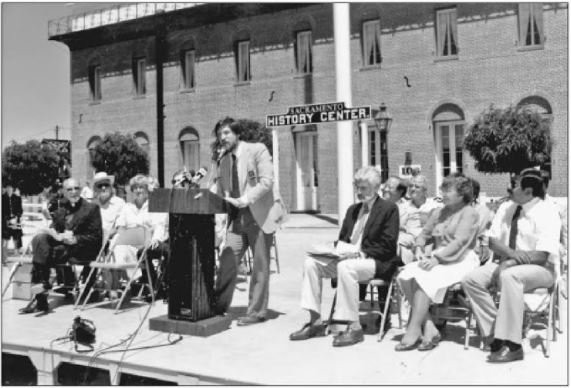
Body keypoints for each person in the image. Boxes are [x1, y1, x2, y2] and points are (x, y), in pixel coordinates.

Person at [289, 166, 400, 347]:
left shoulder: (389, 209)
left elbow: (388, 246)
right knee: (311, 263)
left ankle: (354, 327)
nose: (359, 192)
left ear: (375, 188)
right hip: (346, 259)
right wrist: (331, 251)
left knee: (345, 267)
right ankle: (315, 321)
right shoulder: (352, 210)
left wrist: (359, 253)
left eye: (363, 188)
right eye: (357, 187)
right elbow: (343, 240)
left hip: (375, 261)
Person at [461, 168, 561, 363]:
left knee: (510, 276)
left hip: (542, 270)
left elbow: (541, 255)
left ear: (528, 192)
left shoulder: (548, 211)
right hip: (508, 262)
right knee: (471, 279)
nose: (508, 188)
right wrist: (511, 256)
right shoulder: (507, 207)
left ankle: (514, 346)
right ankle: (495, 335)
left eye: (514, 185)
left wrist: (510, 263)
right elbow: (492, 241)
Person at [395, 175, 479, 351]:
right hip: (437, 257)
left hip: (461, 259)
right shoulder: (439, 212)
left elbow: (460, 242)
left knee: (424, 278)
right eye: (443, 190)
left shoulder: (469, 212)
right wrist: (418, 247)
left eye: (448, 190)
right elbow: (425, 234)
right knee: (405, 275)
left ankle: (413, 328)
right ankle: (429, 326)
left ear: (462, 194)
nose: (443, 193)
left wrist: (436, 259)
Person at [212, 118, 280, 326]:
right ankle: (218, 307)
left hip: (258, 215)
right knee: (227, 260)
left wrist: (245, 199)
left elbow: (267, 181)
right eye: (219, 135)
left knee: (260, 265)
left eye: (226, 133)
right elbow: (218, 188)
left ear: (237, 134)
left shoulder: (257, 150)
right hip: (236, 218)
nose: (222, 138)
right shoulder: (223, 160)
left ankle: (256, 312)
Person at [19, 178, 103, 314]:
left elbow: (96, 237)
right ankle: (43, 285)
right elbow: (56, 228)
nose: (73, 192)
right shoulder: (61, 207)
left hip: (81, 249)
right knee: (40, 239)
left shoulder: (91, 208)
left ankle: (40, 296)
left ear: (81, 190)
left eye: (76, 188)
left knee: (43, 254)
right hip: (63, 247)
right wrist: (53, 232)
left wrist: (76, 239)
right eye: (69, 189)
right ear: (64, 191)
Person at [112, 174, 169, 298]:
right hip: (129, 241)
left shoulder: (154, 205)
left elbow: (159, 225)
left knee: (137, 250)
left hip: (146, 241)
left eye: (141, 187)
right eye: (135, 188)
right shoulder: (127, 207)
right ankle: (125, 273)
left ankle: (136, 278)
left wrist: (156, 239)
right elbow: (120, 226)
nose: (138, 190)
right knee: (118, 243)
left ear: (146, 189)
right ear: (132, 190)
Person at [398, 175, 443, 264]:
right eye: (410, 186)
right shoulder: (402, 207)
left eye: (417, 186)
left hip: (429, 241)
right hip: (408, 242)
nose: (412, 189)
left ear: (424, 190)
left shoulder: (434, 205)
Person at [2, 183, 24, 258]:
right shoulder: (2, 198)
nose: (9, 189)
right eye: (7, 187)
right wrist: (7, 219)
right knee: (5, 238)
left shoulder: (17, 198)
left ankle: (17, 253)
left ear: (12, 188)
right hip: (5, 221)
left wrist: (16, 217)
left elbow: (20, 210)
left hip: (15, 220)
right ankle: (4, 255)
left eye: (10, 187)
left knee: (17, 236)